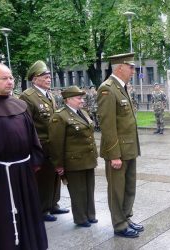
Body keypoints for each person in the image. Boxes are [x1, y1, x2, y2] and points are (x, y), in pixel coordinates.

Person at [0, 62, 48, 249]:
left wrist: (36, 159)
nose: (10, 82)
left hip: (24, 170)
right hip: (0, 176)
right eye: (4, 78)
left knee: (28, 213)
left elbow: (33, 136)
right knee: (5, 218)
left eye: (11, 77)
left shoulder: (20, 104)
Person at [97, 53, 143, 238]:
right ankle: (119, 224)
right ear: (119, 68)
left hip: (130, 148)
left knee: (129, 186)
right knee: (117, 189)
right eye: (130, 67)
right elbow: (108, 126)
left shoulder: (121, 87)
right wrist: (114, 154)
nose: (133, 71)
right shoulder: (107, 89)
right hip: (118, 151)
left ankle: (126, 217)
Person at [20, 60, 69, 221]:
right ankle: (42, 209)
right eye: (45, 77)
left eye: (49, 76)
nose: (49, 79)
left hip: (53, 144)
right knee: (43, 178)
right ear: (34, 79)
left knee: (54, 175)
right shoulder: (28, 96)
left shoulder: (50, 95)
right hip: (41, 145)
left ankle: (53, 204)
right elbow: (27, 124)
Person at [48, 86, 98, 227]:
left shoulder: (82, 112)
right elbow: (56, 143)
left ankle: (90, 214)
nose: (82, 100)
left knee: (89, 189)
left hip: (88, 159)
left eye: (82, 97)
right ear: (68, 100)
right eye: (78, 98)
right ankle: (81, 218)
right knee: (78, 191)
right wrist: (58, 164)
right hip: (73, 162)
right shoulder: (60, 116)